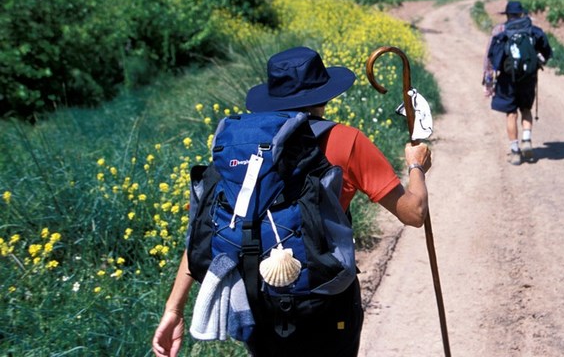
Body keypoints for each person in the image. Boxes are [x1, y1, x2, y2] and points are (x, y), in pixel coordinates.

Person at [152, 46, 432, 357]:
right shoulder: (346, 141)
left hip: (255, 299)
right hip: (324, 301)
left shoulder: (239, 147)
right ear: (325, 94)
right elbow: (414, 212)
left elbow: (207, 230)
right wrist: (416, 165)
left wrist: (173, 309)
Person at [483, 0, 552, 165]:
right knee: (526, 109)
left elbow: (490, 58)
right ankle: (526, 140)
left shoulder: (500, 30)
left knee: (511, 114)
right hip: (528, 78)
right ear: (522, 14)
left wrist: (488, 81)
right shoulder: (532, 30)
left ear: (507, 14)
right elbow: (547, 52)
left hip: (507, 80)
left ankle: (515, 151)